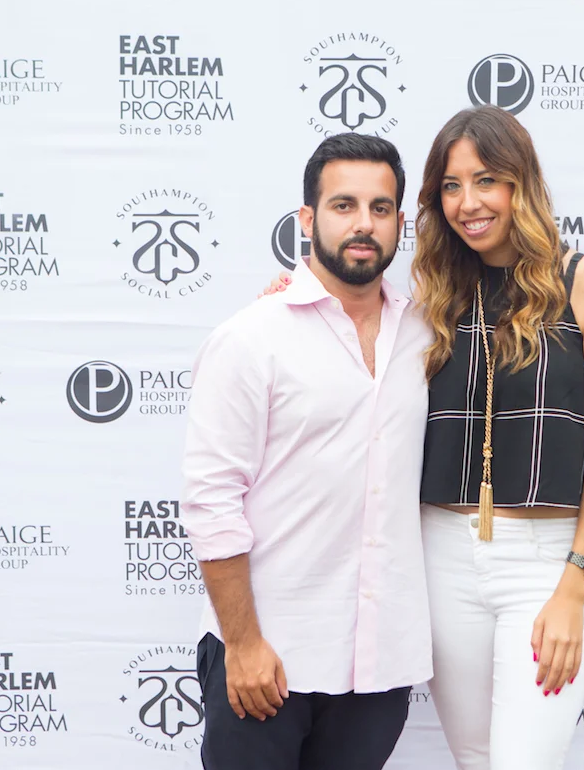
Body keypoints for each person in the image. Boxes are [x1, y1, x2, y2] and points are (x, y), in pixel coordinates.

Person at [268, 105, 584, 769]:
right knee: (475, 759)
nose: (469, 203)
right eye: (451, 186)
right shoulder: (432, 299)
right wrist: (286, 300)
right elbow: (343, 324)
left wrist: (576, 584)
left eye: (486, 180)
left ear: (521, 183)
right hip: (438, 557)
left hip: (544, 562)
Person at [180, 133, 432, 770]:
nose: (363, 224)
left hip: (378, 669)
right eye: (344, 205)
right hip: (268, 658)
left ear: (400, 223)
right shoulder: (251, 339)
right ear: (307, 219)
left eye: (380, 208)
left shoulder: (428, 336)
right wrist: (243, 644)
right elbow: (212, 500)